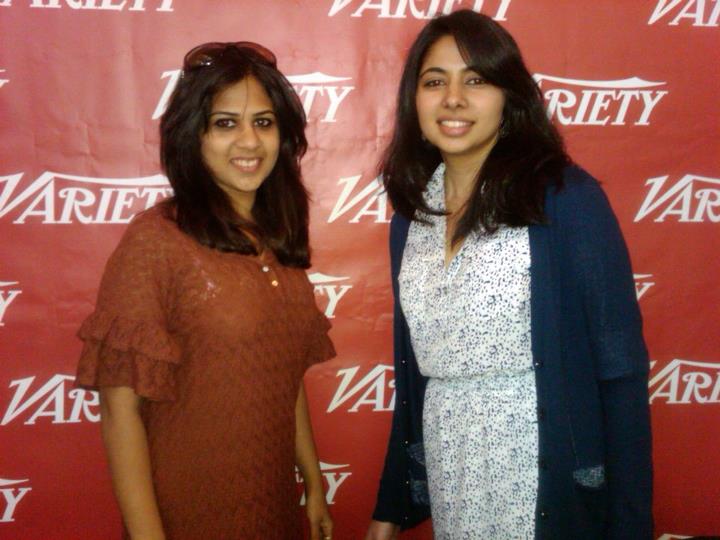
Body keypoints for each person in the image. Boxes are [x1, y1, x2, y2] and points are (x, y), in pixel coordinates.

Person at [365, 10, 652, 540]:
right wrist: (389, 509)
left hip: (542, 475)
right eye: (435, 82)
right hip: (454, 469)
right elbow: (414, 381)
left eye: (476, 79)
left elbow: (621, 374)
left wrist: (630, 526)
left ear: (509, 96)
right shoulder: (412, 216)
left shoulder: (566, 199)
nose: (453, 98)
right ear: (414, 100)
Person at [76, 42, 335, 540]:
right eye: (224, 123)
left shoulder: (277, 238)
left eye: (263, 122)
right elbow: (119, 409)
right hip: (189, 512)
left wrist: (314, 482)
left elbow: (284, 376)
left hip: (273, 504)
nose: (249, 141)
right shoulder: (156, 240)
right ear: (192, 134)